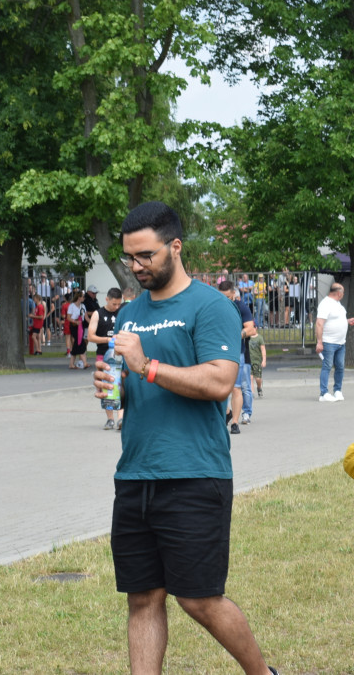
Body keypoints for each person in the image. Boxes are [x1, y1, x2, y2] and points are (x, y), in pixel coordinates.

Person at [91, 201, 279, 675]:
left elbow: (219, 382)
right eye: (130, 258)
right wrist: (114, 389)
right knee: (143, 597)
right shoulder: (129, 313)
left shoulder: (211, 306)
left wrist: (147, 367)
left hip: (195, 473)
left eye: (146, 256)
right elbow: (135, 382)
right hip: (135, 473)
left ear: (175, 246)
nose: (136, 267)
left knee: (199, 600)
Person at [218, 280, 256, 432]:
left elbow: (251, 329)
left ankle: (234, 422)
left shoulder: (241, 307)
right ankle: (227, 413)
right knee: (219, 388)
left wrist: (235, 335)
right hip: (218, 352)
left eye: (227, 296)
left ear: (234, 294)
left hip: (236, 352)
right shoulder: (215, 307)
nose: (225, 300)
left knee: (236, 388)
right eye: (222, 296)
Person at [87, 287, 125, 430]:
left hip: (120, 354)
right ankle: (110, 419)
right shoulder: (98, 314)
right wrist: (107, 339)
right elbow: (90, 336)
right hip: (103, 355)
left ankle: (121, 418)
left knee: (122, 385)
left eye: (118, 304)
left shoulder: (122, 312)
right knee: (105, 385)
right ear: (107, 299)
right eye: (113, 304)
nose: (116, 307)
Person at [315, 282, 354, 401]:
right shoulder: (325, 304)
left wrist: (347, 321)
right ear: (338, 293)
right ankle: (323, 393)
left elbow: (337, 319)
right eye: (343, 292)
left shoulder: (338, 304)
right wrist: (319, 342)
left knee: (340, 366)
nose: (343, 294)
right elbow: (319, 323)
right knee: (327, 366)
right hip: (329, 342)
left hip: (340, 342)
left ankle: (337, 390)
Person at [67, 289, 88, 369]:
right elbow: (68, 317)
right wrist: (75, 322)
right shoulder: (72, 306)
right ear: (79, 297)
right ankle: (84, 362)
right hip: (74, 325)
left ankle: (71, 364)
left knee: (77, 343)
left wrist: (92, 322)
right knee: (80, 342)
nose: (84, 298)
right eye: (83, 297)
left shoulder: (83, 306)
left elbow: (85, 317)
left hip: (80, 326)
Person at [249, 330, 266, 398]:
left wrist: (264, 360)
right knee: (250, 377)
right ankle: (252, 393)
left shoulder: (259, 338)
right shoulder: (247, 337)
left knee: (258, 378)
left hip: (257, 361)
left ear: (255, 328)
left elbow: (263, 349)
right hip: (249, 361)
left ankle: (259, 388)